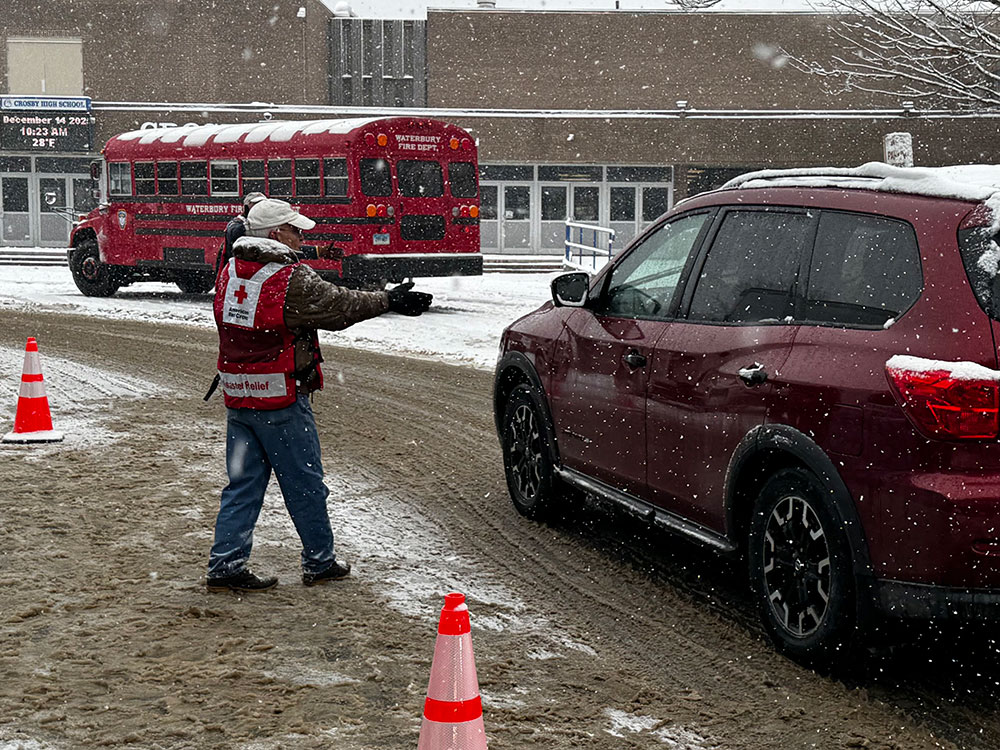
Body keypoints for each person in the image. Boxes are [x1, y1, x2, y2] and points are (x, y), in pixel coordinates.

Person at [206, 198, 432, 593]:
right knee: (304, 484)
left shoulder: (230, 271)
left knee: (242, 484)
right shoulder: (289, 279)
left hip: (239, 394)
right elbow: (341, 306)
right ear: (276, 234)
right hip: (281, 396)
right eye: (295, 230)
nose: (301, 237)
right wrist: (390, 299)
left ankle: (226, 563)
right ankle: (319, 560)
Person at [215, 191, 267, 281]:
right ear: (247, 207)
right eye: (255, 205)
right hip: (237, 274)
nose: (259, 208)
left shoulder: (258, 223)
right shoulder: (238, 226)